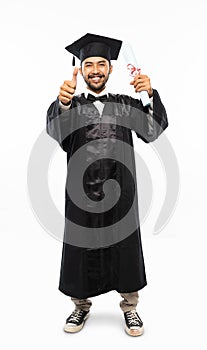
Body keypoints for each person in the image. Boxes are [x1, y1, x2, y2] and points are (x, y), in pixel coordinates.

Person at [46, 33, 168, 337]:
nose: (96, 69)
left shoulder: (126, 105)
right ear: (81, 69)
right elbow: (56, 133)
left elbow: (152, 131)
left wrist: (150, 95)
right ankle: (80, 305)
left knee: (124, 246)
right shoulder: (71, 107)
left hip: (121, 192)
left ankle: (130, 306)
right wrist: (61, 105)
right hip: (81, 194)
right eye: (89, 64)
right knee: (80, 247)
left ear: (111, 69)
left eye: (102, 63)